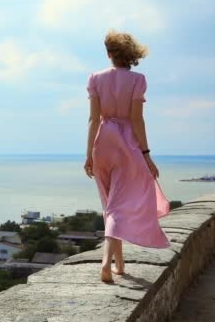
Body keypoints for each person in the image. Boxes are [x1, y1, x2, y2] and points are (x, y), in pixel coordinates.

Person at [84, 30, 170, 283]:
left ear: (110, 54)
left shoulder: (95, 78)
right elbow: (136, 119)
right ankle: (106, 263)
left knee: (110, 206)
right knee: (118, 207)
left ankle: (119, 264)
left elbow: (93, 119)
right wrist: (146, 155)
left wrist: (88, 155)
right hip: (126, 146)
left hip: (102, 143)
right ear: (129, 55)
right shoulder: (138, 80)